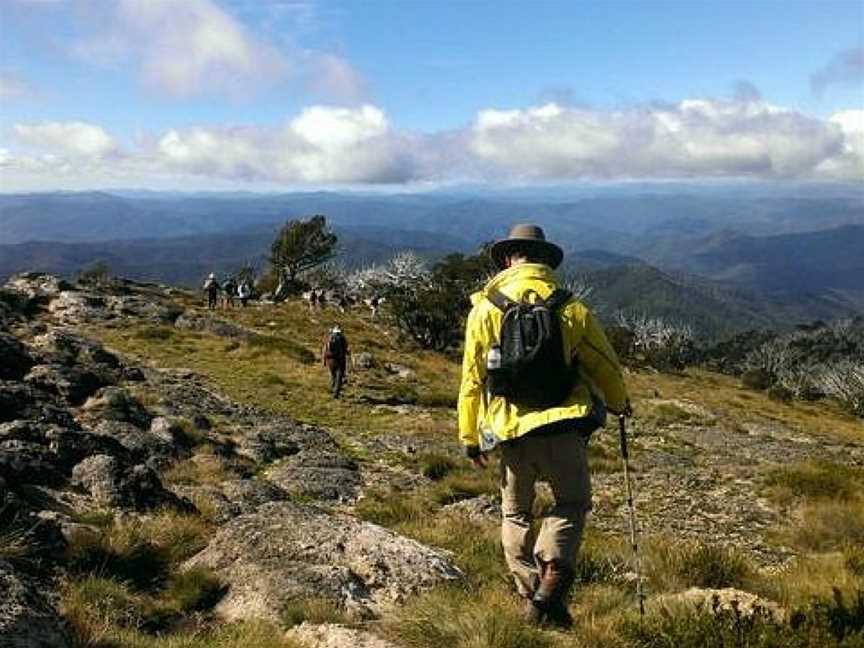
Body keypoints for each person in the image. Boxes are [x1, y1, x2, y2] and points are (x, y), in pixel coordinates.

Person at [457, 223, 630, 628]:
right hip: (564, 426)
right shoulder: (570, 307)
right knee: (570, 503)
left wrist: (470, 437)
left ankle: (532, 590)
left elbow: (471, 378)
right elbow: (604, 366)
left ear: (507, 259)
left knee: (516, 513)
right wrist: (620, 404)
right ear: (546, 261)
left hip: (512, 432)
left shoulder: (485, 309)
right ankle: (552, 578)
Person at [322, 325, 350, 398]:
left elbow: (324, 350)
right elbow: (346, 349)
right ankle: (336, 393)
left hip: (330, 360)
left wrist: (324, 361)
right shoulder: (342, 338)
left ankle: (333, 388)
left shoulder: (329, 338)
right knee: (339, 376)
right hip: (340, 360)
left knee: (333, 375)